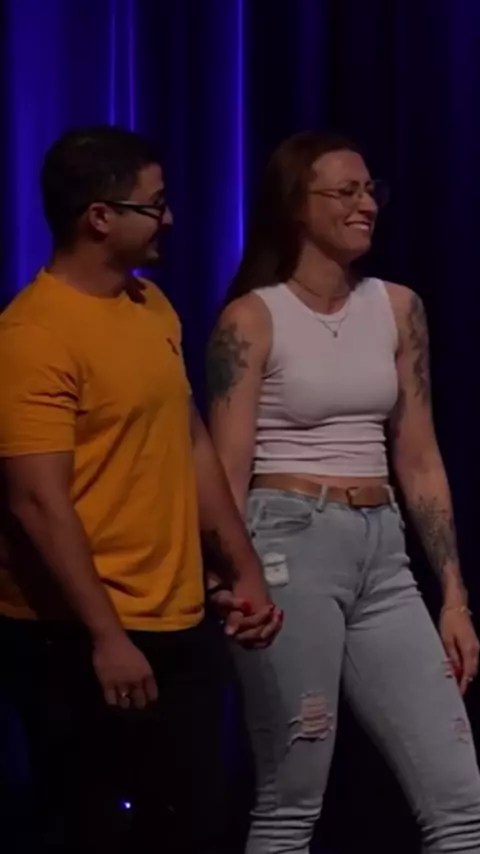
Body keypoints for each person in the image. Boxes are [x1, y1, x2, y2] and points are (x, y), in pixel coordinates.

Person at [0, 125, 282, 854]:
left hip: (176, 619)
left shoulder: (150, 306)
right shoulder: (33, 335)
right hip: (77, 632)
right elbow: (37, 502)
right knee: (91, 828)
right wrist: (106, 637)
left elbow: (190, 445)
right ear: (99, 216)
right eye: (154, 205)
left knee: (190, 823)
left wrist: (242, 568)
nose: (170, 218)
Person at [206, 130, 480, 854]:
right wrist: (231, 576)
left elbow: (419, 456)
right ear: (298, 206)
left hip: (382, 551)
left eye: (371, 191)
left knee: (461, 800)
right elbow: (225, 469)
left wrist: (453, 595)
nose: (367, 205)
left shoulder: (398, 307)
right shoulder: (252, 318)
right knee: (292, 798)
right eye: (346, 192)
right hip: (287, 544)